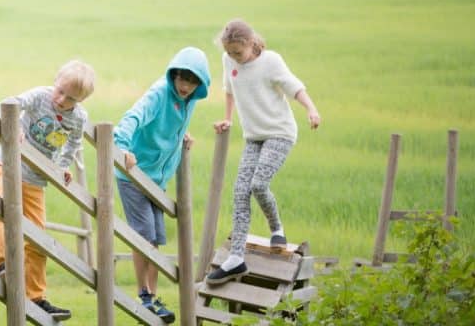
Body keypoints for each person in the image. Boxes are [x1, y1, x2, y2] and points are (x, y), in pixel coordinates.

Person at [204, 19, 321, 286]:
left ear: (250, 43)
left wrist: (311, 109)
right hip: (253, 136)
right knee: (240, 190)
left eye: (238, 52)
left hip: (279, 132)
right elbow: (229, 90)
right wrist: (228, 119)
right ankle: (236, 258)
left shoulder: (270, 61)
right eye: (229, 52)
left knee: (258, 184)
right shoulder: (228, 60)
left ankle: (276, 228)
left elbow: (294, 87)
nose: (234, 57)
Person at [0, 60, 96, 322]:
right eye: (60, 91)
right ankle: (4, 264)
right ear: (55, 81)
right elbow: (6, 104)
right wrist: (14, 126)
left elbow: (73, 144)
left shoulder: (79, 117)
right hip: (8, 168)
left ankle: (36, 296)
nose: (61, 100)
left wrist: (62, 166)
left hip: (36, 182)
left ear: (81, 100)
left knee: (38, 239)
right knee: (3, 214)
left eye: (71, 98)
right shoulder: (39, 96)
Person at [114, 46, 211, 324]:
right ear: (173, 75)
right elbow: (132, 118)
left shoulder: (189, 100)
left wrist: (182, 135)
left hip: (157, 180)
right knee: (143, 236)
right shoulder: (158, 93)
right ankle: (143, 294)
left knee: (155, 239)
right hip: (134, 175)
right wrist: (122, 147)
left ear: (200, 85)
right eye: (182, 79)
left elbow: (171, 122)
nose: (185, 86)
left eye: (192, 82)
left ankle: (153, 298)